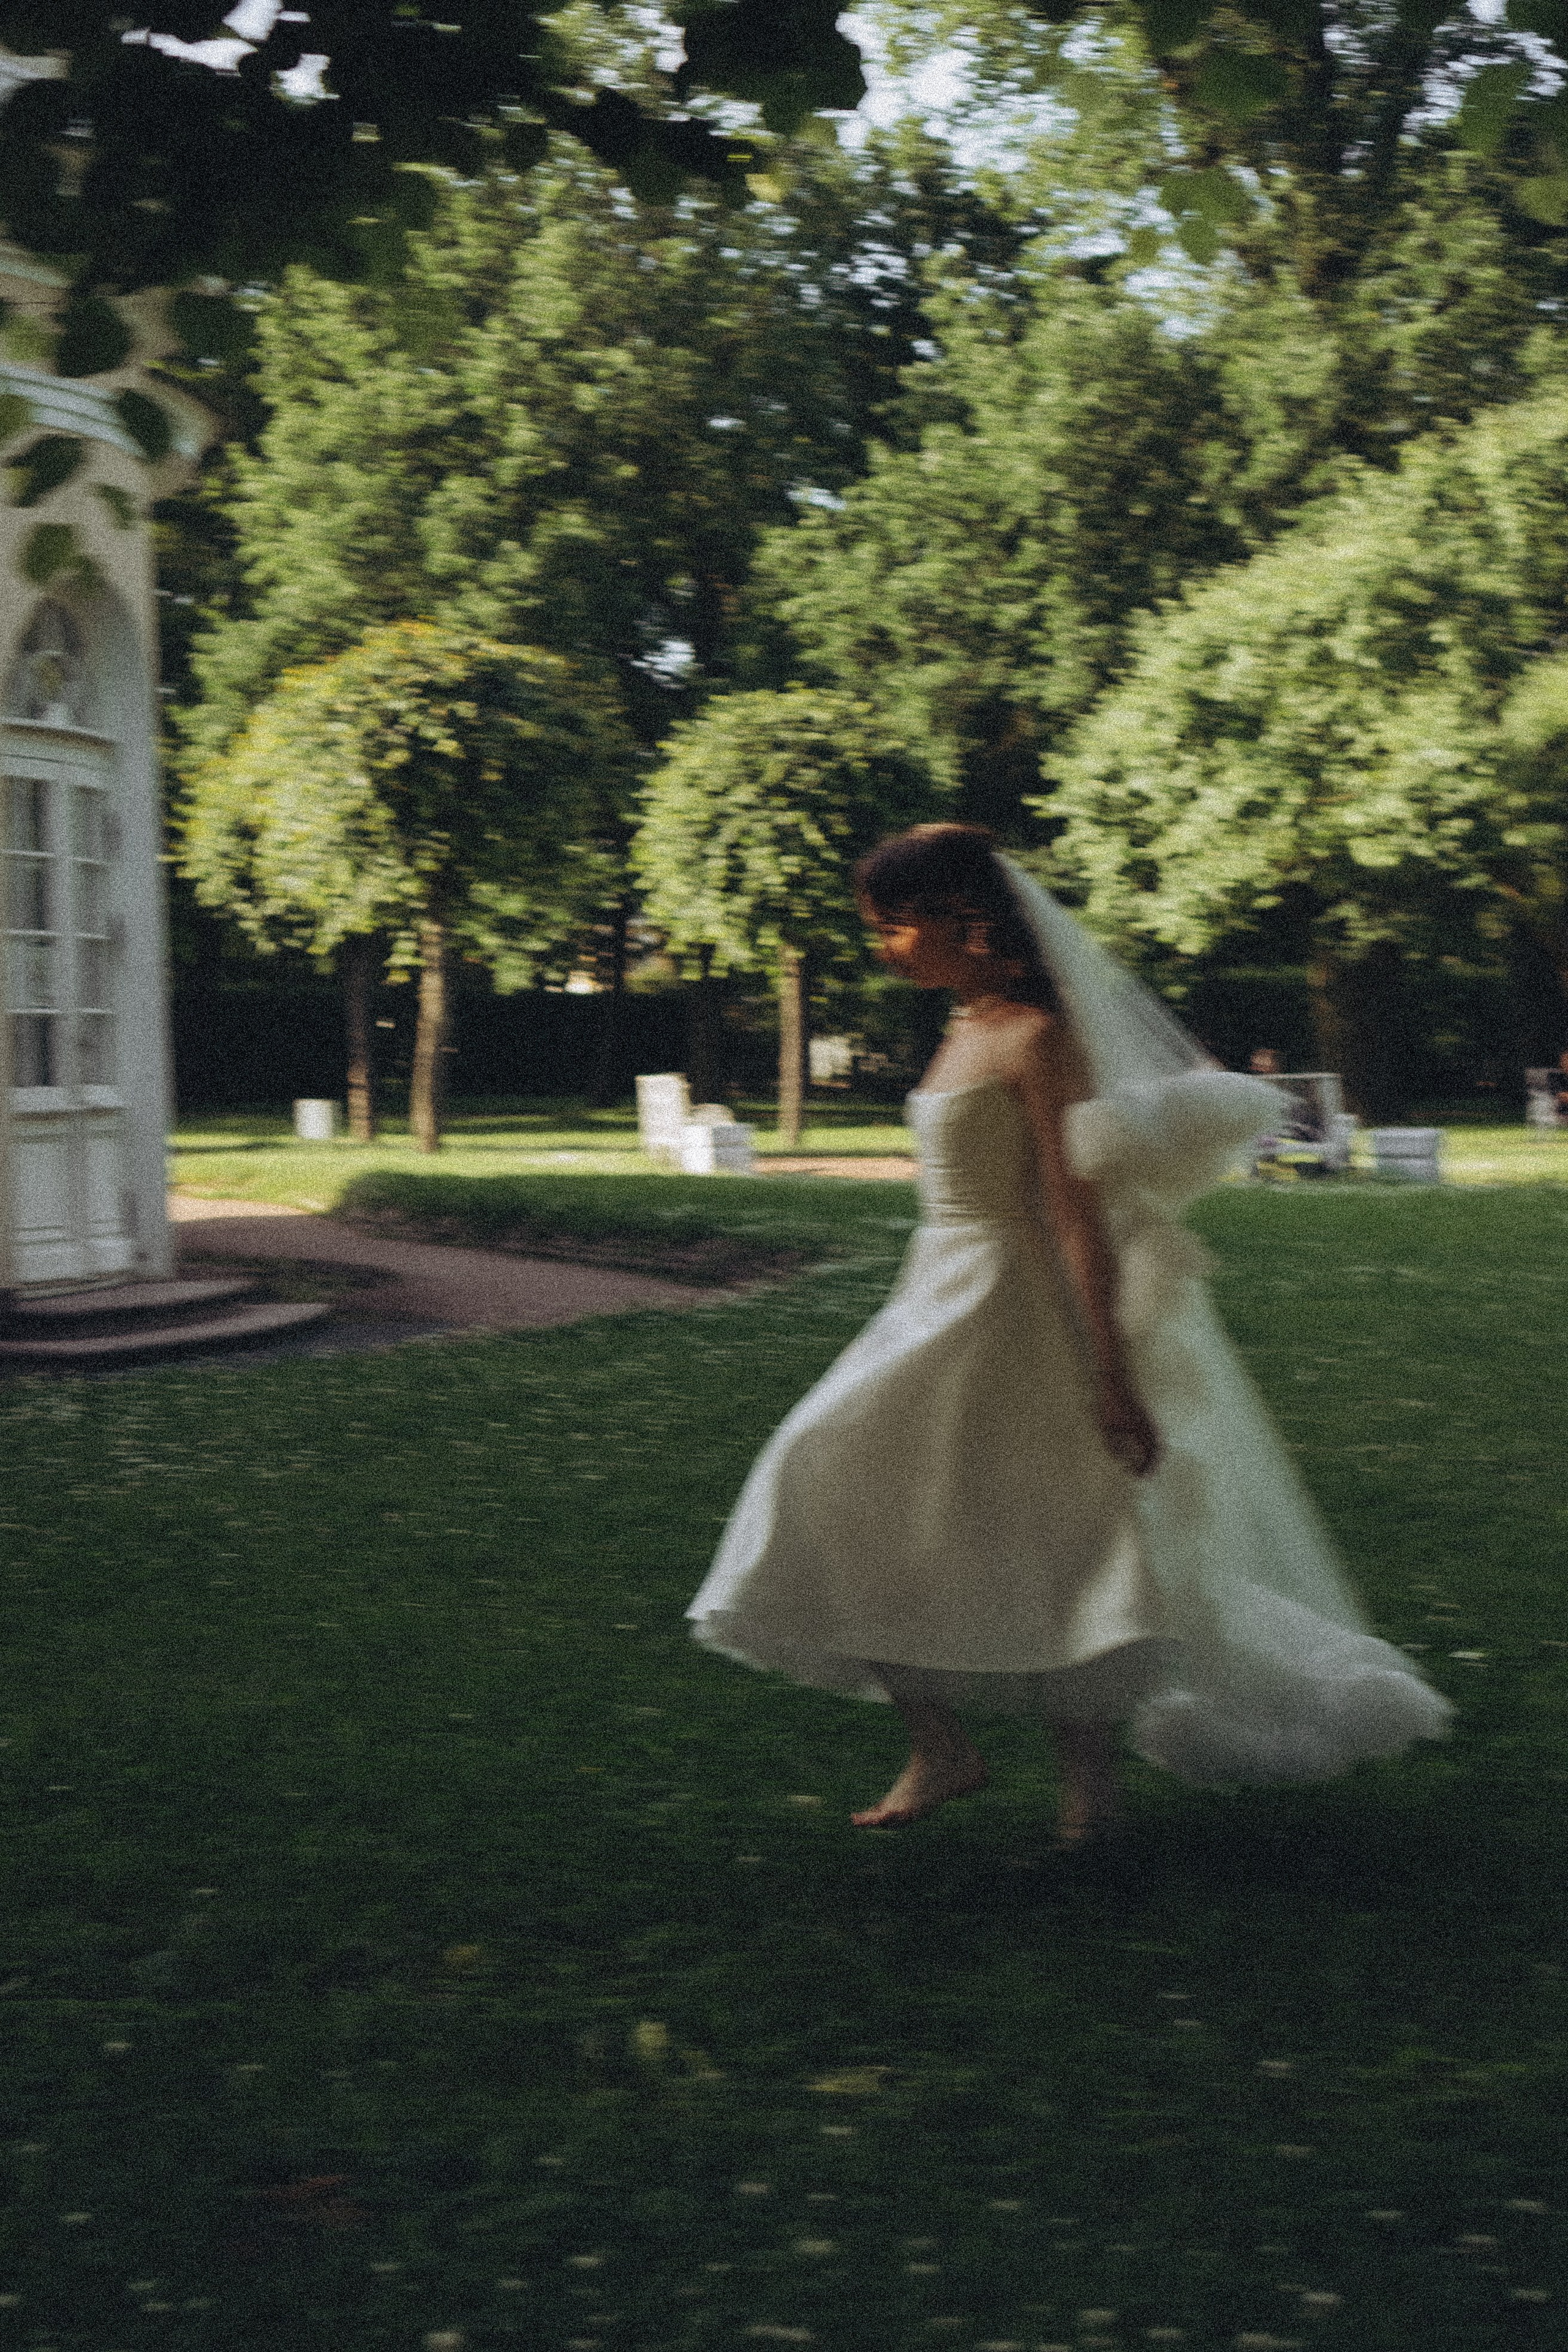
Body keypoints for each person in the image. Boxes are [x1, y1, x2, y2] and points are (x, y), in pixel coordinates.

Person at [687, 824, 1450, 1845]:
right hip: (936, 1289)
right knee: (820, 1470)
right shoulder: (962, 1027)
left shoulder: (1042, 1039)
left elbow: (1077, 1212)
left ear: (966, 923)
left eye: (895, 927)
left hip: (1015, 1302)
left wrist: (1113, 1369)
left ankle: (1090, 1793)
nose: (884, 948)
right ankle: (942, 1747)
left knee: (1066, 1531)